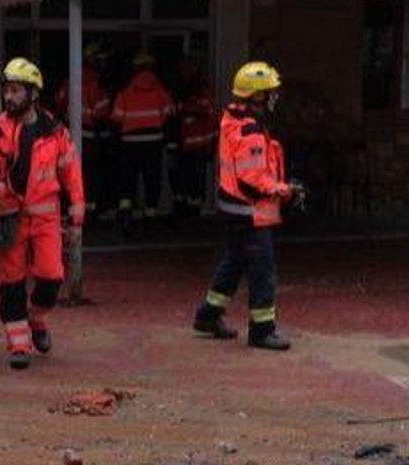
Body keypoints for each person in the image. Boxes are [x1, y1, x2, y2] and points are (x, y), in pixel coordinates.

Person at [0, 58, 85, 370]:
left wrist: (76, 218)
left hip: (46, 219)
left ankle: (37, 318)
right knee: (12, 282)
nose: (9, 97)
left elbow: (71, 176)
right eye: (7, 90)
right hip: (9, 219)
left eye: (16, 90)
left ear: (33, 94)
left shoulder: (55, 133)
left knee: (51, 276)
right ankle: (18, 343)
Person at [191, 61, 302, 352]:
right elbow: (252, 179)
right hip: (249, 212)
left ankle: (208, 315)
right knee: (262, 270)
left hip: (233, 208)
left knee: (234, 261)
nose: (274, 97)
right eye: (270, 92)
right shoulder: (251, 131)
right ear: (256, 97)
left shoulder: (233, 120)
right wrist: (284, 191)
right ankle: (262, 330)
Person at [109, 52, 176, 233]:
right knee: (152, 181)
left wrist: (116, 145)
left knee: (127, 181)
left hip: (129, 144)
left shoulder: (125, 93)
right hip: (154, 143)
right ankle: (150, 219)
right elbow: (170, 118)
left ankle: (126, 217)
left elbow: (115, 121)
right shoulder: (162, 92)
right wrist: (168, 143)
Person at [54, 42, 115, 217]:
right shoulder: (97, 84)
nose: (105, 64)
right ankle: (89, 213)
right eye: (102, 60)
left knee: (68, 174)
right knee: (90, 175)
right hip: (89, 137)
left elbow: (58, 101)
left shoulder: (71, 80)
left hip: (69, 137)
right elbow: (102, 112)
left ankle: (70, 210)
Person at [171, 56, 219, 222]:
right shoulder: (182, 87)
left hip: (197, 145)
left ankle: (193, 214)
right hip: (184, 144)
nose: (183, 71)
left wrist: (184, 108)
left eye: (186, 68)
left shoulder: (200, 88)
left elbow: (206, 112)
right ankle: (183, 211)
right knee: (181, 179)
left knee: (195, 182)